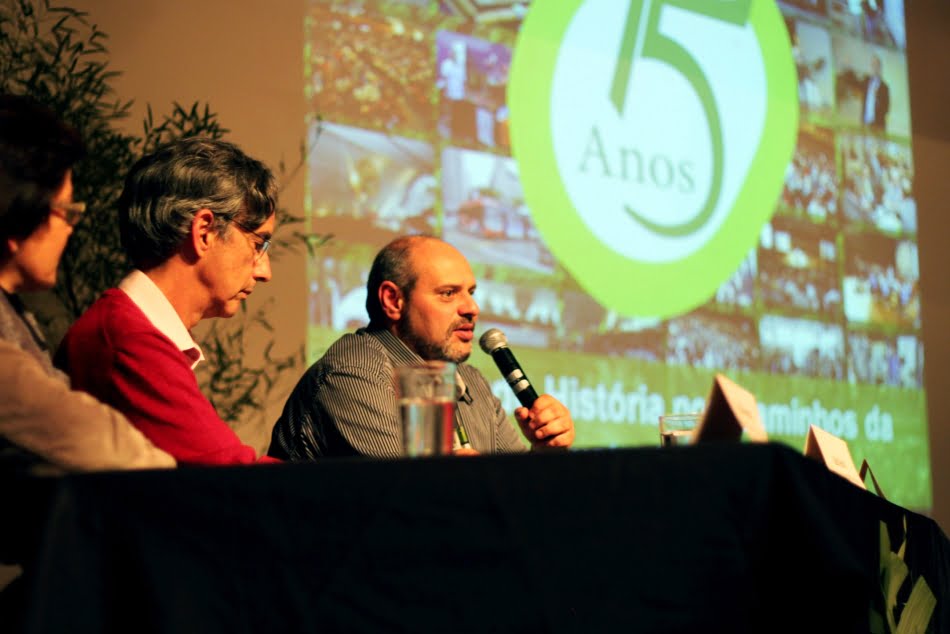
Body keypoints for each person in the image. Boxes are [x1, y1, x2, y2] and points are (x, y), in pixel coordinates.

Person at [56, 137, 281, 465]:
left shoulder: (127, 330)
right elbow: (237, 478)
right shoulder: (128, 341)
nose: (265, 272)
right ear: (204, 232)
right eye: (259, 244)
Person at [269, 234, 575, 460]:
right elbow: (414, 501)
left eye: (470, 292)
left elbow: (517, 497)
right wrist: (479, 479)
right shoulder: (355, 374)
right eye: (448, 293)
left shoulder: (472, 383)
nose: (472, 308)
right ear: (393, 301)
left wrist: (543, 453)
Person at [0, 94, 175, 475]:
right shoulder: (125, 329)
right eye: (66, 211)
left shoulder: (15, 310)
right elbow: (93, 440)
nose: (71, 228)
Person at [861, 54, 889, 131]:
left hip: (878, 125)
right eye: (873, 65)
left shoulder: (884, 87)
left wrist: (877, 99)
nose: (874, 67)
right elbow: (855, 84)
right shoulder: (866, 82)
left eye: (876, 65)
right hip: (865, 124)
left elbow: (887, 109)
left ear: (880, 67)